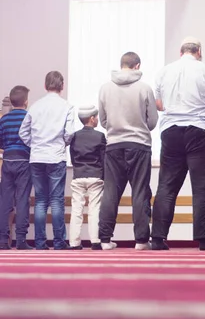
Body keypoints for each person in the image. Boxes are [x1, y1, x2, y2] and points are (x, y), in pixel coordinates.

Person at [152, 37, 205, 251]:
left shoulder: (164, 72)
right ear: (199, 51)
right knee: (201, 186)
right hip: (199, 131)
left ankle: (157, 238)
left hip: (171, 130)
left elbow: (160, 105)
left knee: (166, 185)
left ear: (180, 51)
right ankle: (203, 239)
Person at [98, 52, 158, 251]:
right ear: (137, 65)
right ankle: (141, 241)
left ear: (121, 64)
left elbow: (103, 121)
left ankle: (105, 239)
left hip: (114, 144)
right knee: (140, 192)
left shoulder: (105, 88)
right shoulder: (144, 88)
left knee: (110, 192)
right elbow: (152, 121)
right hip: (139, 145)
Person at [19, 72, 75, 250]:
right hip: (55, 156)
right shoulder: (67, 106)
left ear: (45, 86)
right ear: (62, 86)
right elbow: (70, 133)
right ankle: (59, 243)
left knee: (41, 200)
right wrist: (61, 144)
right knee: (57, 200)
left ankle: (40, 243)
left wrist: (35, 144)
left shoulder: (35, 106)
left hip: (36, 157)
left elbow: (23, 133)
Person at [68, 104, 106, 250]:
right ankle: (95, 241)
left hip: (78, 176)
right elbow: (103, 159)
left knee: (76, 209)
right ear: (92, 119)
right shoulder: (100, 136)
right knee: (94, 208)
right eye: (96, 117)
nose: (97, 119)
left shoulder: (74, 136)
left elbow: (72, 156)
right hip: (95, 176)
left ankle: (74, 242)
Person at [0, 86, 33, 250]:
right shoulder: (29, 118)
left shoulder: (4, 120)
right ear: (26, 102)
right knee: (22, 201)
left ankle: (2, 241)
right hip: (24, 161)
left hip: (7, 161)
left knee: (5, 201)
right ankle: (20, 240)